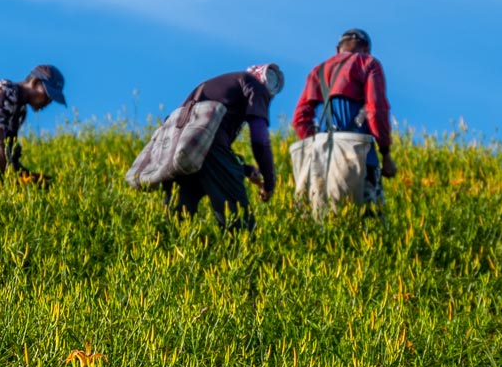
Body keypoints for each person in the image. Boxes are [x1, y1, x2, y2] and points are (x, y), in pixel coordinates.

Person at [162, 64, 283, 231]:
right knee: (240, 226)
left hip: (176, 150)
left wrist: (246, 170)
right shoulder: (255, 85)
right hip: (207, 150)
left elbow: (207, 143)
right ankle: (240, 253)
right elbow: (260, 140)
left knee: (176, 223)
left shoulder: (219, 86)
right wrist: (269, 183)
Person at [292, 28, 396, 207]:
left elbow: (300, 119)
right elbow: (376, 110)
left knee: (325, 222)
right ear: (365, 48)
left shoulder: (318, 70)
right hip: (360, 156)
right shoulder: (368, 63)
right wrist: (385, 153)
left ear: (337, 49)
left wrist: (319, 145)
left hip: (321, 157)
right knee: (370, 224)